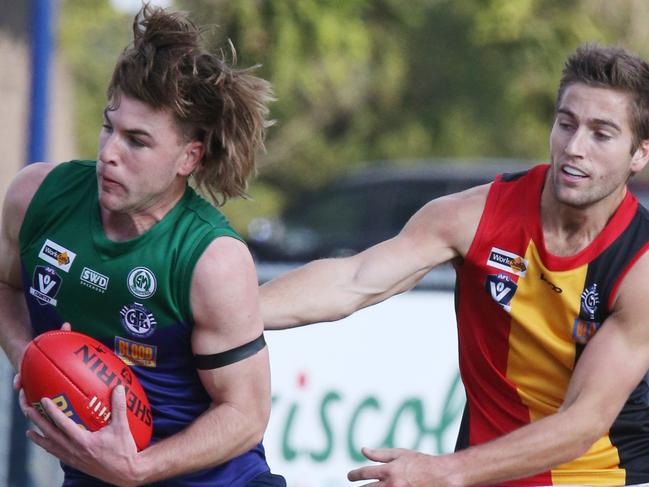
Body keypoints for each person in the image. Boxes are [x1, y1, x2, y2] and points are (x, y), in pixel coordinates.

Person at [261, 44, 649, 486]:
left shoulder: (641, 265)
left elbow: (583, 421)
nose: (575, 147)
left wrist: (444, 471)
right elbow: (351, 280)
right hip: (479, 475)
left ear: (639, 154)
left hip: (605, 478)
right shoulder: (470, 216)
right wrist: (222, 317)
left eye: (601, 134)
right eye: (566, 124)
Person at [0, 5, 285, 487]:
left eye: (137, 140)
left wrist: (137, 468)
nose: (110, 153)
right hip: (94, 477)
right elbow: (5, 287)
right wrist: (30, 355)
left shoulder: (210, 259)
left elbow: (245, 413)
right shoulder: (36, 198)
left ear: (188, 157)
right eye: (109, 127)